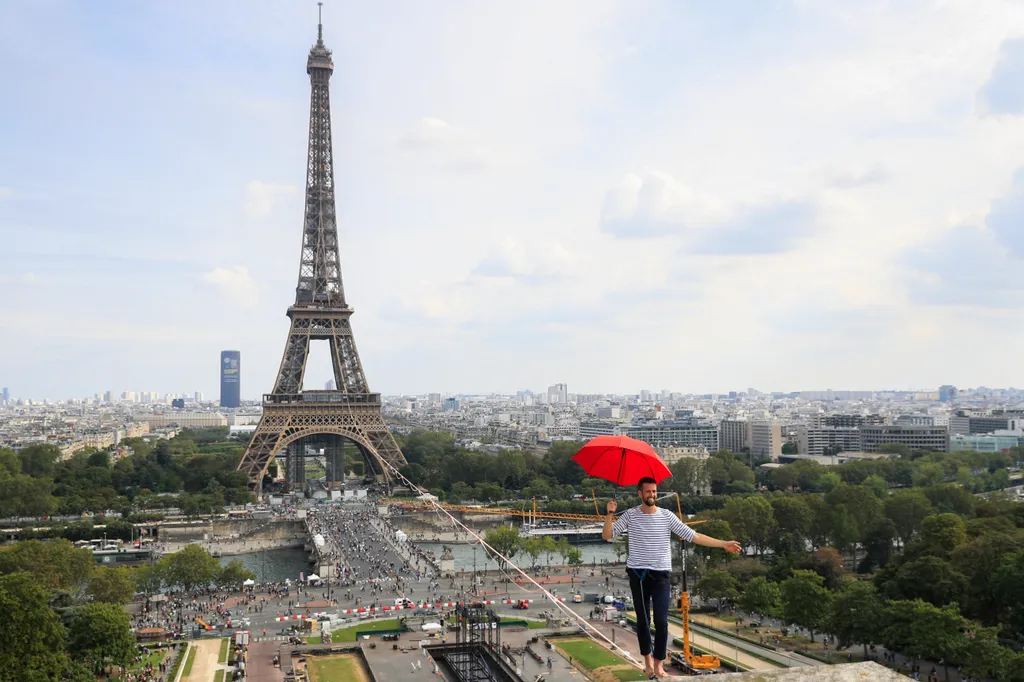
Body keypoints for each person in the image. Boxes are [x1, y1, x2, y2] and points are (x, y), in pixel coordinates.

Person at [603, 477, 741, 679]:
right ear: (639, 493)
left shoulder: (667, 516)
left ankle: (659, 665)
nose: (652, 495)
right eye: (648, 491)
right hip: (638, 575)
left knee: (661, 621)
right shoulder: (631, 516)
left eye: (654, 491)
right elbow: (607, 535)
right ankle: (648, 662)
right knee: (643, 621)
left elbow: (694, 535)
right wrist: (610, 514)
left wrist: (723, 544)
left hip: (661, 575)